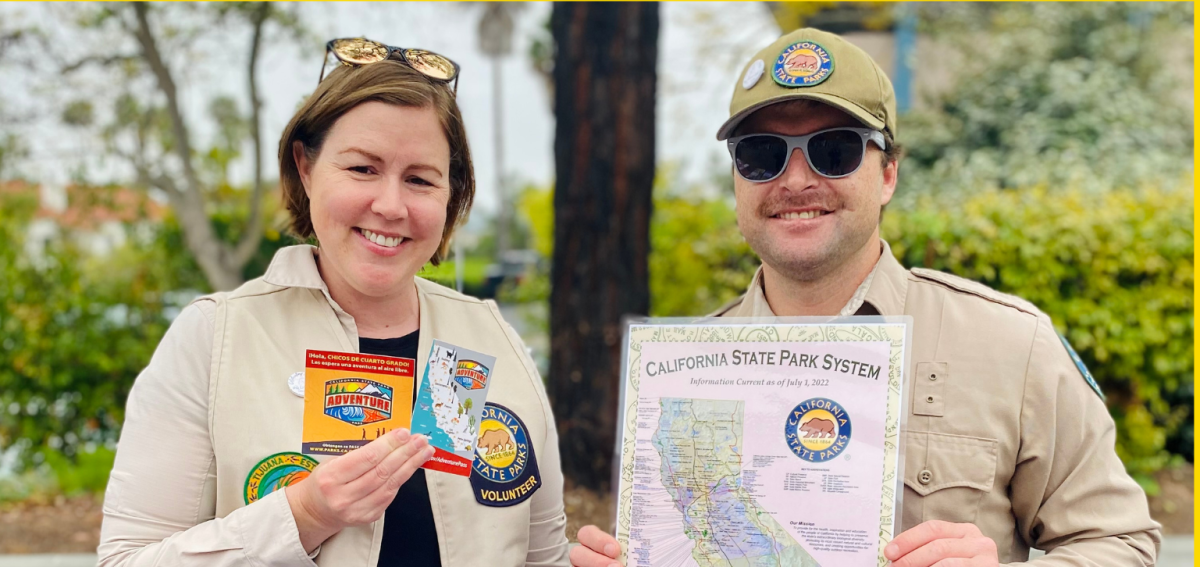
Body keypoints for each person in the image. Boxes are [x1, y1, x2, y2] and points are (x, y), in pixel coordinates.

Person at [570, 28, 1161, 567]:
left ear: (888, 174)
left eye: (834, 150)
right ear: (735, 180)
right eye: (761, 154)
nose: (795, 180)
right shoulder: (680, 381)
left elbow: (1121, 543)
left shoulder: (1010, 345)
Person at [98, 37, 608, 567]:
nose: (390, 205)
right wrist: (305, 515)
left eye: (419, 179)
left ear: (450, 195)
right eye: (362, 169)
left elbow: (539, 556)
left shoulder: (487, 335)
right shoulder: (217, 337)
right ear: (305, 167)